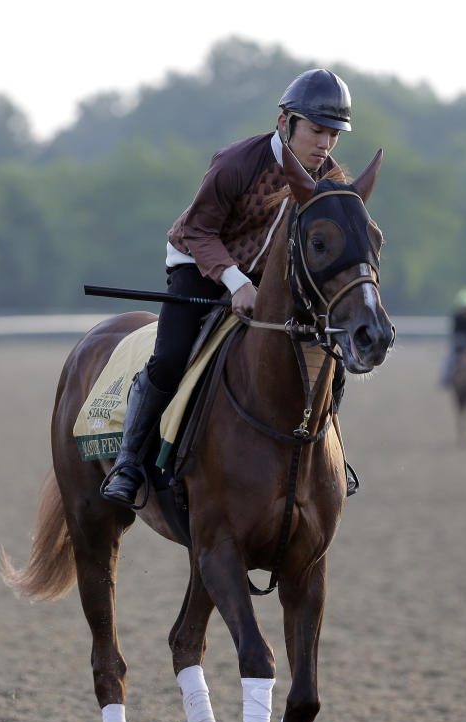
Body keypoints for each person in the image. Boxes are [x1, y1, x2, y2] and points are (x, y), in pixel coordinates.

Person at [102, 69, 355, 508]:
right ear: (284, 123)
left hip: (265, 279)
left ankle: (330, 459)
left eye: (333, 135)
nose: (325, 145)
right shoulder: (237, 163)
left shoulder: (328, 178)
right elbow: (199, 231)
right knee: (171, 357)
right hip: (197, 262)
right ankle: (128, 463)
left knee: (327, 356)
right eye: (316, 131)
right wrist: (235, 282)